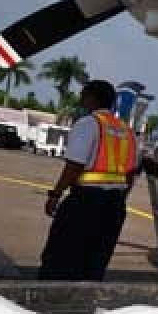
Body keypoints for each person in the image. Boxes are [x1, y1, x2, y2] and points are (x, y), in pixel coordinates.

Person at [39, 80, 137, 280]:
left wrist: (55, 195)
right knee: (95, 261)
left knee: (60, 257)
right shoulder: (127, 131)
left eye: (83, 95)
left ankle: (51, 307)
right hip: (115, 206)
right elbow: (130, 173)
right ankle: (82, 309)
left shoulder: (88, 124)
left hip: (85, 202)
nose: (80, 99)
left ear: (91, 98)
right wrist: (118, 198)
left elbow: (75, 165)